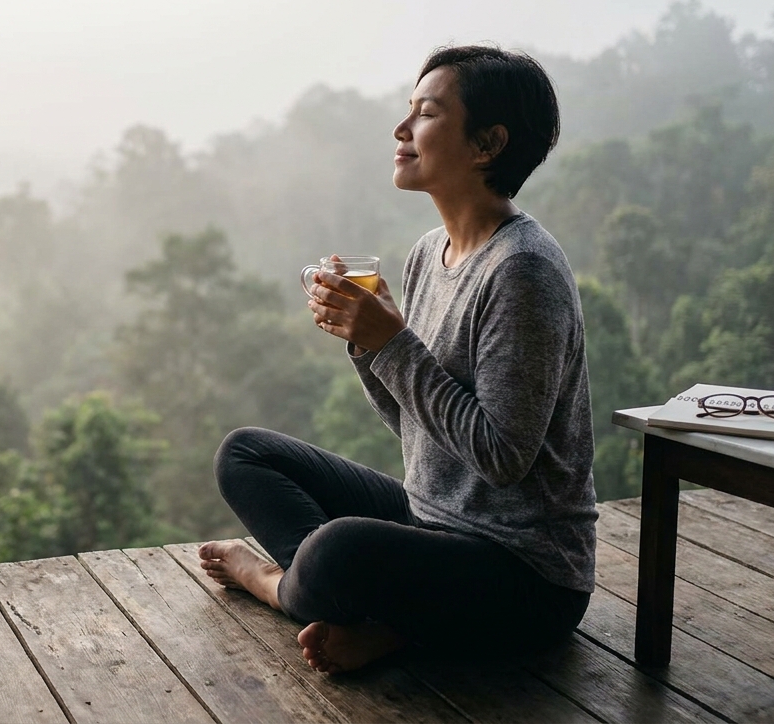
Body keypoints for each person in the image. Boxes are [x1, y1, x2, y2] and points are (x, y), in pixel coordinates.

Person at [197, 45, 597, 674]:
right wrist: (366, 342)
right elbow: (415, 426)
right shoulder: (428, 253)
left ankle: (278, 585)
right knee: (246, 453)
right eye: (408, 109)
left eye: (427, 113)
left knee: (338, 550)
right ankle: (388, 620)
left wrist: (392, 344)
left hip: (524, 572)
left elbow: (503, 457)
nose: (401, 129)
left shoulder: (523, 271)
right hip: (432, 522)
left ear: (487, 144)